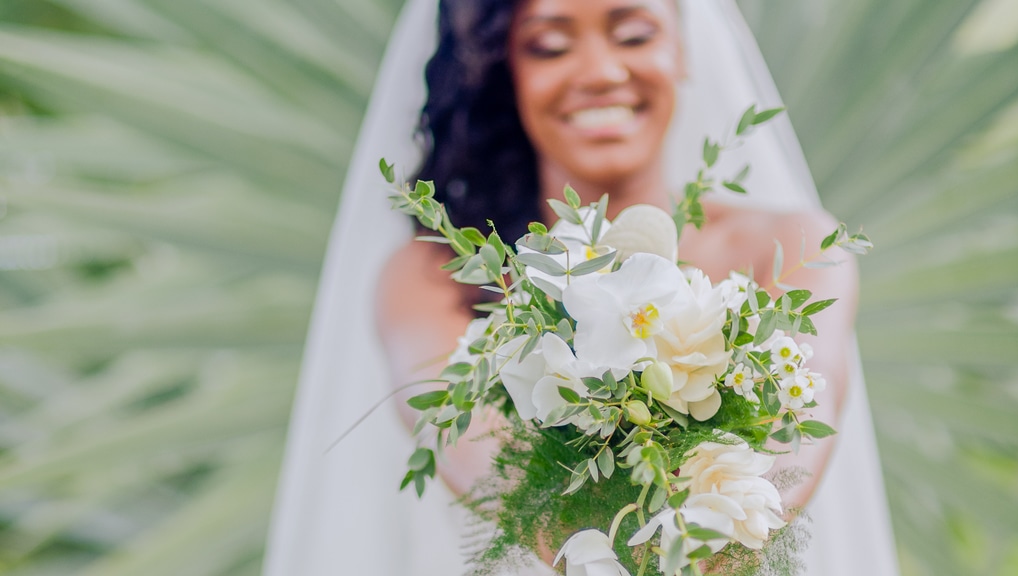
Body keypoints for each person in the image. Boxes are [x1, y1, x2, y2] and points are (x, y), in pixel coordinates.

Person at [264, 1, 901, 575]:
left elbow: (804, 416)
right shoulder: (432, 278)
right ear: (503, 68)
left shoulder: (793, 247)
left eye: (632, 34)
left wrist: (713, 549)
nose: (599, 71)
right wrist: (596, 551)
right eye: (549, 45)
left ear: (681, 48)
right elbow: (465, 436)